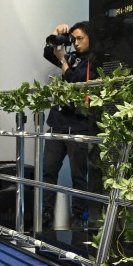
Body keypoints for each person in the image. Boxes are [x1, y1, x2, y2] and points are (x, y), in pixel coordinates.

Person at [41, 21, 100, 225]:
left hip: (78, 124)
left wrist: (62, 61)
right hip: (57, 123)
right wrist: (56, 33)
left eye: (80, 39)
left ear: (90, 38)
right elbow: (49, 53)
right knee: (48, 170)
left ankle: (78, 215)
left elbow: (75, 81)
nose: (75, 43)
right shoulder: (72, 57)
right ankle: (46, 213)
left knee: (78, 175)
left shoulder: (94, 61)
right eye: (73, 39)